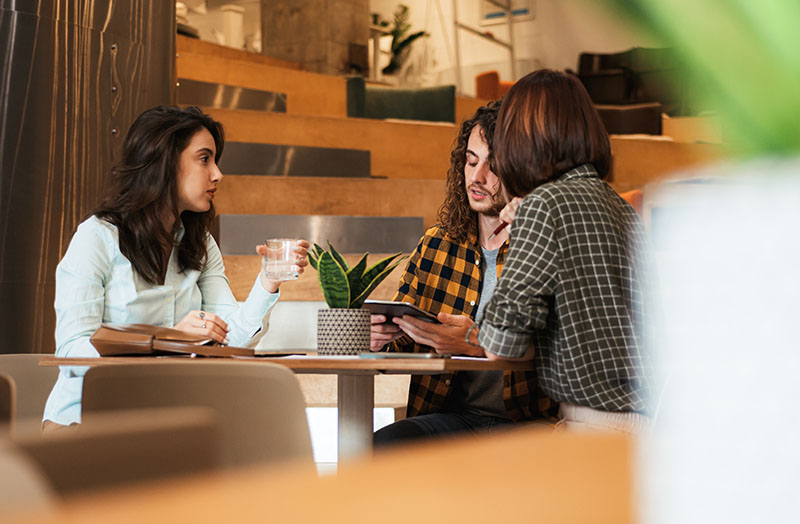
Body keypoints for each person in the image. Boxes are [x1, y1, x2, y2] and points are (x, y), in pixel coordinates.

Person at [42, 106, 309, 430]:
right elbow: (72, 354)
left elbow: (230, 341)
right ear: (165, 162)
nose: (217, 174)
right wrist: (167, 340)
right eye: (204, 159)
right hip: (88, 424)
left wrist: (267, 282)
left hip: (170, 422)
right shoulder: (97, 237)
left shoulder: (199, 243)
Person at [472, 70, 653, 434]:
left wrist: (465, 334)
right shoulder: (619, 207)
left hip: (594, 427)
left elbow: (501, 344)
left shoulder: (544, 206)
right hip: (647, 426)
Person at [370, 101, 557, 446]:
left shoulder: (542, 241)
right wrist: (381, 337)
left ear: (523, 168)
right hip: (450, 416)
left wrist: (476, 342)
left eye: (493, 165)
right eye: (470, 161)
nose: (477, 177)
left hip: (531, 422)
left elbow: (563, 346)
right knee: (376, 449)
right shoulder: (437, 244)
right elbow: (407, 342)